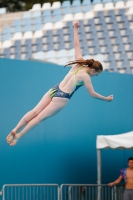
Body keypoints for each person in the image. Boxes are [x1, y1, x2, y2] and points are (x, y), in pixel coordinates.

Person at [6, 21, 113, 146]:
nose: (96, 76)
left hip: (54, 89)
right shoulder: (86, 76)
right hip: (62, 97)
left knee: (34, 111)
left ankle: (15, 128)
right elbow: (92, 94)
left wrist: (75, 28)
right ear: (93, 70)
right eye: (97, 74)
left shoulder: (79, 63)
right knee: (39, 118)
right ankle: (19, 136)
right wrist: (106, 99)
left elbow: (76, 44)